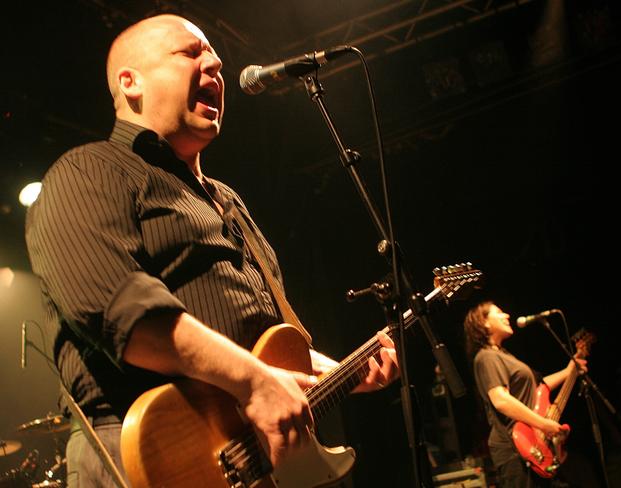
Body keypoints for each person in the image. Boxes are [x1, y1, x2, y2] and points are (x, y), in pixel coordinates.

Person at [25, 14, 398, 487]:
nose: (216, 63)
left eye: (216, 59)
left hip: (243, 451)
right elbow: (116, 306)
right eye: (191, 52)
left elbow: (258, 338)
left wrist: (327, 372)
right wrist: (255, 382)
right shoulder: (89, 170)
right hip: (144, 446)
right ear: (130, 81)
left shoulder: (226, 199)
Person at [463, 301, 587, 487]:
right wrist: (543, 424)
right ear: (484, 322)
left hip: (532, 444)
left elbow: (540, 388)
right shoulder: (487, 357)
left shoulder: (504, 355)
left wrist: (571, 369)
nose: (507, 315)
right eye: (499, 312)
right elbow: (501, 400)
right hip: (513, 447)